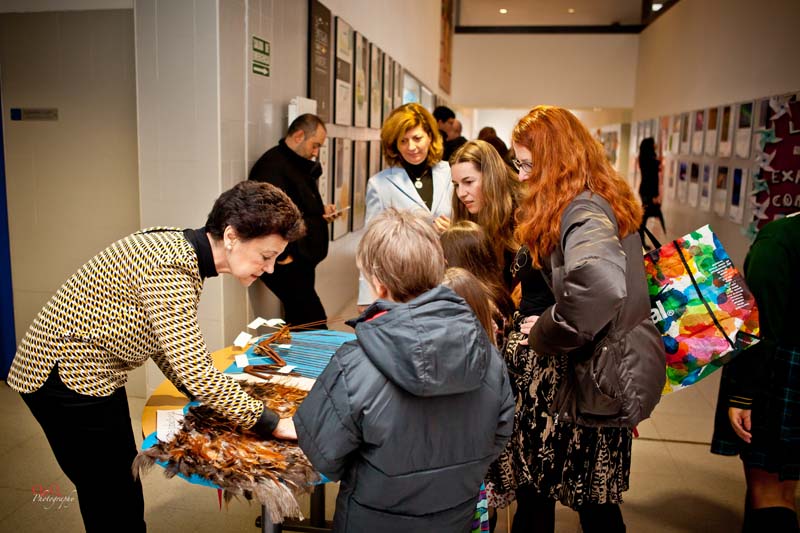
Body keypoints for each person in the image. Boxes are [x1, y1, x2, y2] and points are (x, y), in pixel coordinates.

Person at [7, 181, 305, 532]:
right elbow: (193, 368)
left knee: (117, 486)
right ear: (231, 235)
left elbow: (167, 345)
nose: (269, 269)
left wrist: (204, 394)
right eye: (266, 256)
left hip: (83, 373)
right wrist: (270, 421)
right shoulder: (172, 269)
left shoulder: (178, 248)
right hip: (63, 378)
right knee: (112, 494)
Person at [494, 105, 664, 533]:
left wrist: (547, 328)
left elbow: (600, 285)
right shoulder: (584, 199)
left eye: (529, 164)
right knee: (585, 498)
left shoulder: (583, 208)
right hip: (578, 377)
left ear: (556, 160)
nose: (521, 175)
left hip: (575, 377)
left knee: (567, 500)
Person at [295, 208, 514, 533]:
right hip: (454, 519)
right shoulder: (487, 356)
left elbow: (323, 456)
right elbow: (498, 436)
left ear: (378, 284)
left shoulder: (354, 364)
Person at [714, 213, 800, 532]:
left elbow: (759, 326)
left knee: (769, 491)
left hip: (779, 375)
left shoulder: (780, 238)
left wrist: (742, 393)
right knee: (787, 488)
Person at [358, 103, 452, 308]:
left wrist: (451, 230)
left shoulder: (450, 173)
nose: (411, 147)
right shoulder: (380, 184)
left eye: (417, 138)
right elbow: (370, 246)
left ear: (430, 136)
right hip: (403, 282)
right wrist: (367, 297)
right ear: (394, 145)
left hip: (449, 277)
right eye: (403, 141)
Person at [248, 113, 337, 328]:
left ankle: (298, 360)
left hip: (303, 259)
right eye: (314, 145)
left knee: (300, 319)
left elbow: (297, 206)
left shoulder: (297, 163)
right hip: (288, 261)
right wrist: (284, 256)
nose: (316, 153)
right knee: (314, 320)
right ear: (299, 135)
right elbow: (266, 216)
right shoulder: (272, 166)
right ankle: (318, 360)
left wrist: (320, 212)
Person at [448, 139, 521, 290]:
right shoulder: (467, 210)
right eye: (456, 185)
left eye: (468, 182)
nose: (461, 193)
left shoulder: (520, 214)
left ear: (490, 178)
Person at [637, 137, 665, 248]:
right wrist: (653, 195)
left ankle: (640, 240)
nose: (655, 146)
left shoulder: (644, 158)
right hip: (648, 191)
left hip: (644, 190)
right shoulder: (650, 160)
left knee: (644, 216)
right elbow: (652, 179)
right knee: (644, 216)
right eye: (654, 144)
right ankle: (640, 240)